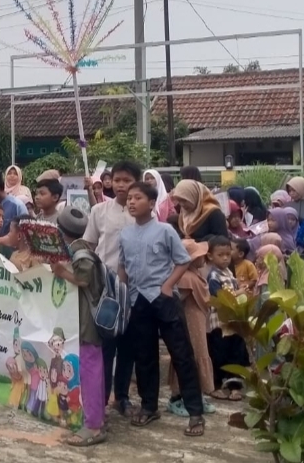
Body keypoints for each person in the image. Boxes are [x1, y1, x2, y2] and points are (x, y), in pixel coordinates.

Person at [121, 182, 205, 437]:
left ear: (151, 202)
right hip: (138, 300)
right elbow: (122, 266)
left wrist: (168, 285)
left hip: (163, 298)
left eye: (138, 198)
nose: (132, 202)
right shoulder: (124, 234)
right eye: (130, 199)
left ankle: (195, 413)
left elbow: (182, 260)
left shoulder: (166, 230)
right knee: (144, 356)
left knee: (181, 355)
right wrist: (124, 292)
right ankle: (149, 407)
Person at [83, 160, 140, 415]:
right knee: (105, 347)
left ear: (136, 183)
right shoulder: (99, 212)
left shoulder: (143, 214)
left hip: (135, 290)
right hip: (106, 290)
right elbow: (88, 245)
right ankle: (101, 400)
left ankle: (123, 397)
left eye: (127, 180)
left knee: (128, 347)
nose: (121, 185)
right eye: (117, 180)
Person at [51, 207, 106, 447]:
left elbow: (83, 280)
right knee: (89, 370)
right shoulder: (76, 249)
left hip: (87, 322)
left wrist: (63, 273)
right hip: (80, 321)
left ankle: (93, 426)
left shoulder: (81, 255)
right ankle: (93, 417)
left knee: (90, 371)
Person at [167, 239, 216, 417]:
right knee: (190, 355)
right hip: (189, 323)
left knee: (200, 353)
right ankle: (178, 397)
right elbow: (177, 300)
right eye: (198, 255)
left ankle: (196, 394)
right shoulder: (186, 277)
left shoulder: (195, 274)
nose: (203, 257)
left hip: (198, 322)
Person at [204, 236, 249, 401]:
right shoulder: (213, 276)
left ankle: (235, 387)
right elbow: (220, 297)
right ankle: (216, 385)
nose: (225, 258)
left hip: (233, 322)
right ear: (210, 256)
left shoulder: (229, 273)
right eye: (220, 255)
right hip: (219, 324)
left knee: (235, 354)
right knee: (218, 355)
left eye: (227, 255)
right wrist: (239, 293)